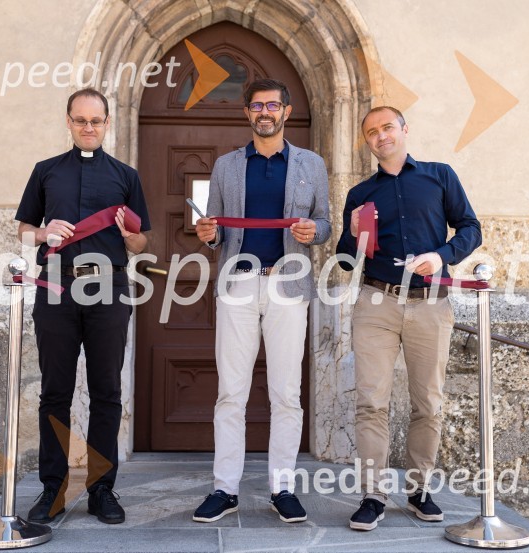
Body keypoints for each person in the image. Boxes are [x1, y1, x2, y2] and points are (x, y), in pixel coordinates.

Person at [336, 106, 481, 531]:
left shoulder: (440, 176)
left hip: (431, 303)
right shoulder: (360, 194)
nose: (381, 136)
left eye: (387, 127)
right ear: (367, 141)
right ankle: (372, 495)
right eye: (371, 132)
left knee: (428, 403)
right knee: (371, 402)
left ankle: (419, 490)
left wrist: (441, 256)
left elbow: (470, 228)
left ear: (404, 130)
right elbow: (345, 261)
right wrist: (352, 232)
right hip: (376, 303)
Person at [192, 78, 330, 524]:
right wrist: (208, 235)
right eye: (257, 106)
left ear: (286, 111)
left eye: (272, 105)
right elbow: (215, 230)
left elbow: (325, 222)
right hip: (238, 284)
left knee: (286, 393)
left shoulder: (311, 163)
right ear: (247, 113)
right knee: (230, 392)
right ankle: (225, 488)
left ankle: (282, 488)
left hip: (288, 286)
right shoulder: (226, 166)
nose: (264, 112)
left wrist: (316, 231)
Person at [15, 87, 150, 525]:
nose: (88, 127)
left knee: (106, 391)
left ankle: (101, 490)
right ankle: (52, 489)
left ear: (107, 123)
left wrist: (129, 236)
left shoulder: (126, 176)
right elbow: (23, 230)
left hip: (109, 288)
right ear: (69, 122)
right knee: (55, 391)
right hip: (56, 285)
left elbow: (141, 241)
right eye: (80, 120)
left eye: (95, 121)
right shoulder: (46, 171)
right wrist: (42, 232)